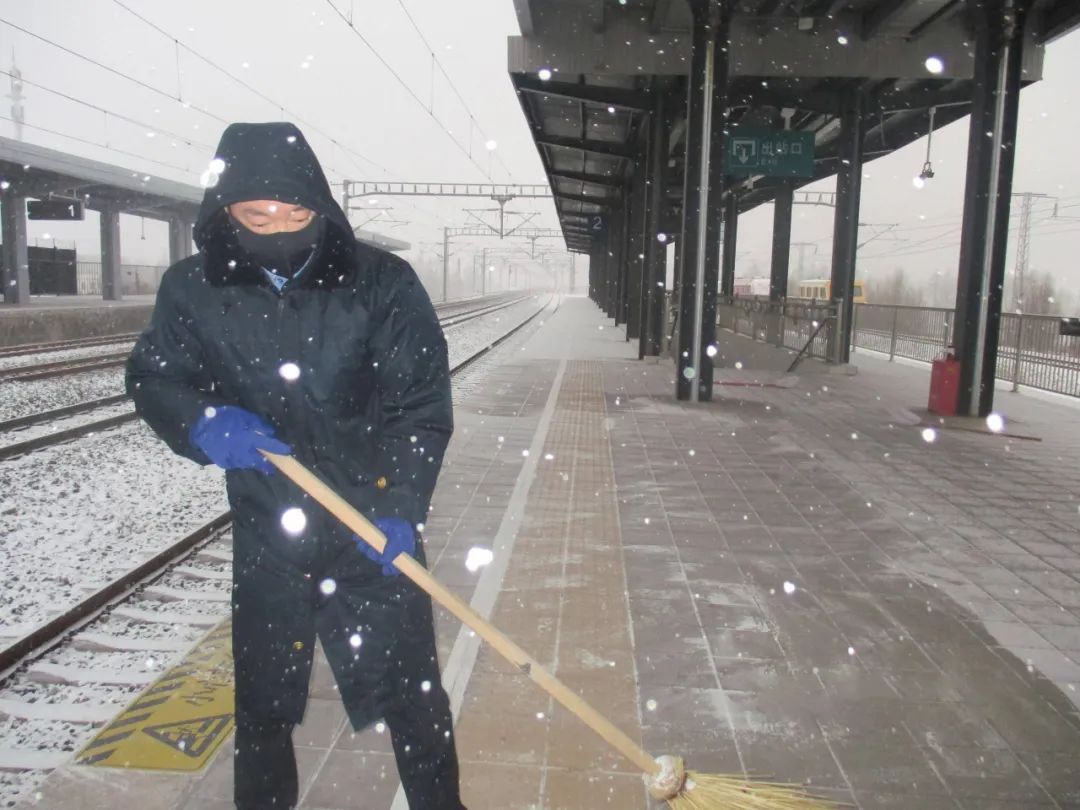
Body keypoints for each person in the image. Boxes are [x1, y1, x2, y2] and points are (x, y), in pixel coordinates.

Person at [126, 122, 464, 810]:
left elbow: (419, 404)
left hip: (369, 522)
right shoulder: (193, 289)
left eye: (295, 214)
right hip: (267, 531)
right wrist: (200, 421)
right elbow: (155, 376)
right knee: (263, 705)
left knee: (413, 695)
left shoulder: (381, 284)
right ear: (225, 214)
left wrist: (399, 501)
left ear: (321, 207)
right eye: (256, 216)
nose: (276, 228)